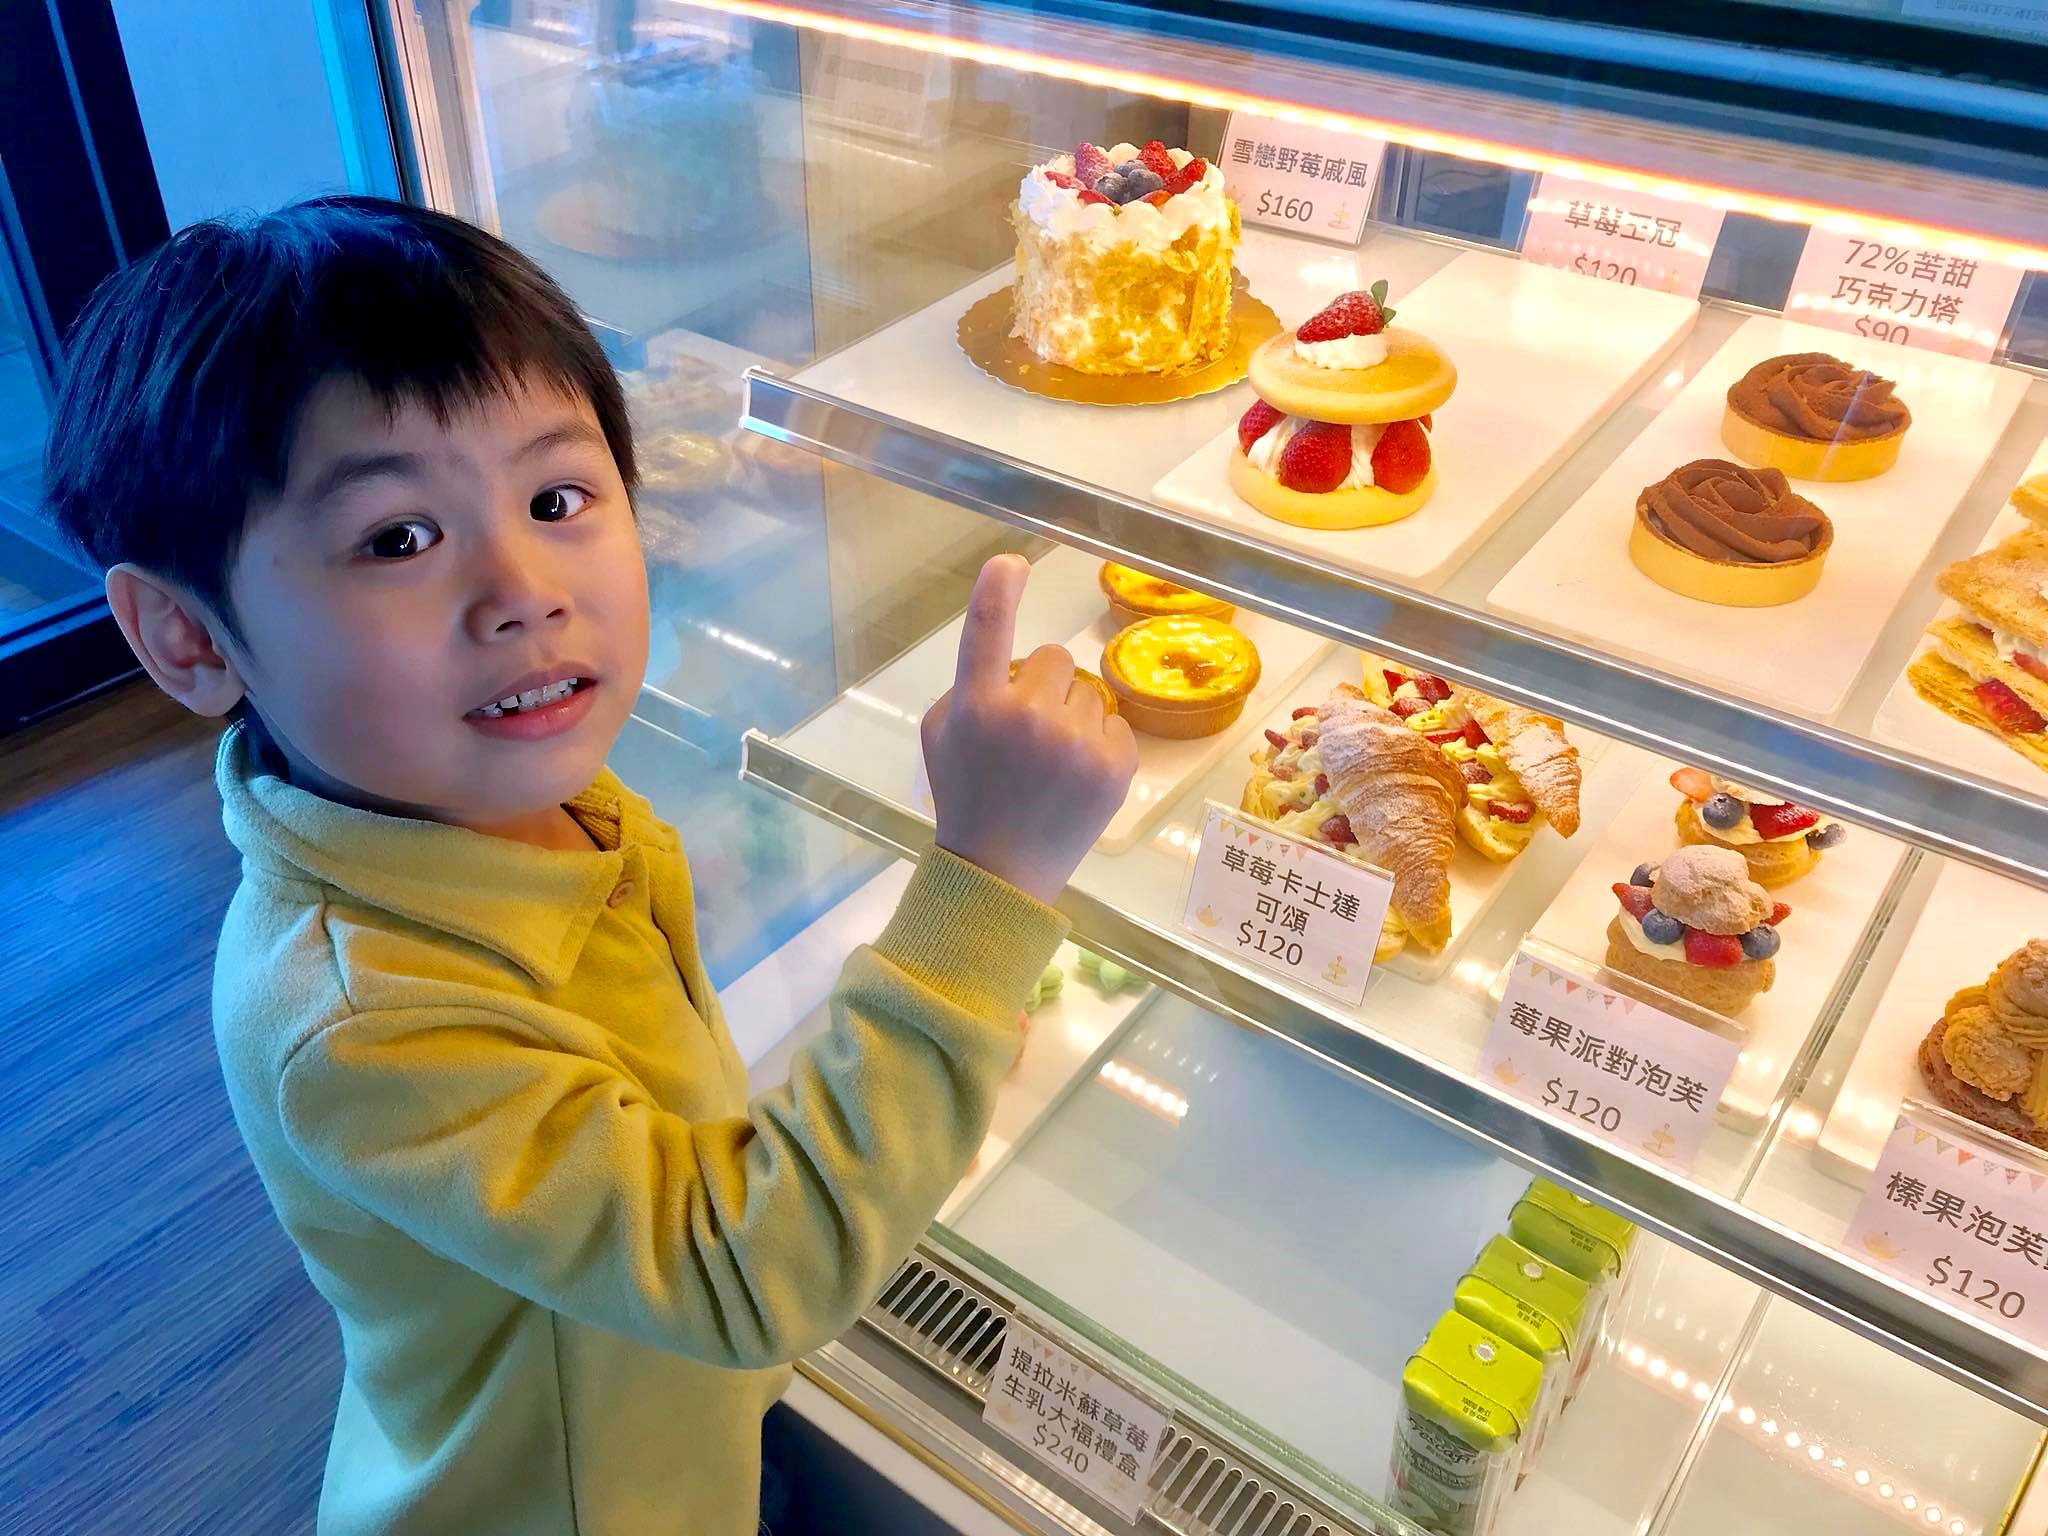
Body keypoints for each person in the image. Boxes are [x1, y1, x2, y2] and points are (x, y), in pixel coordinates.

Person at [44, 195, 1136, 1535]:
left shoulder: (485, 797)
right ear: (187, 636)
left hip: (662, 1426)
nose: (523, 588)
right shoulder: (356, 1022)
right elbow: (746, 1280)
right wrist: (987, 885)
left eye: (557, 497)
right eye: (398, 538)